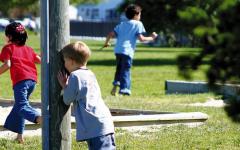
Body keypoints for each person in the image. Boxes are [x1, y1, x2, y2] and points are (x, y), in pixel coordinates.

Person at [57, 41, 116, 150]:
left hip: (95, 126)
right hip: (102, 122)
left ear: (71, 61)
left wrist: (65, 86)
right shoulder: (90, 73)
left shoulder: (74, 76)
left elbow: (67, 99)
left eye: (64, 61)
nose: (64, 64)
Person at [0, 22, 42, 143]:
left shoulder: (8, 48)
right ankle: (20, 137)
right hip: (32, 82)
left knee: (22, 107)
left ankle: (40, 119)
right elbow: (40, 60)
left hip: (20, 81)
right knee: (19, 106)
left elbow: (7, 64)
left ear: (10, 37)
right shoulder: (28, 49)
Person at [104, 4, 158, 96]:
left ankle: (115, 87)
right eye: (140, 15)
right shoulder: (138, 24)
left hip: (118, 50)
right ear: (136, 15)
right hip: (127, 51)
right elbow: (141, 39)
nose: (140, 17)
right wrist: (152, 38)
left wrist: (106, 43)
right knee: (126, 70)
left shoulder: (122, 24)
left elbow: (110, 34)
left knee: (119, 69)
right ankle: (124, 90)